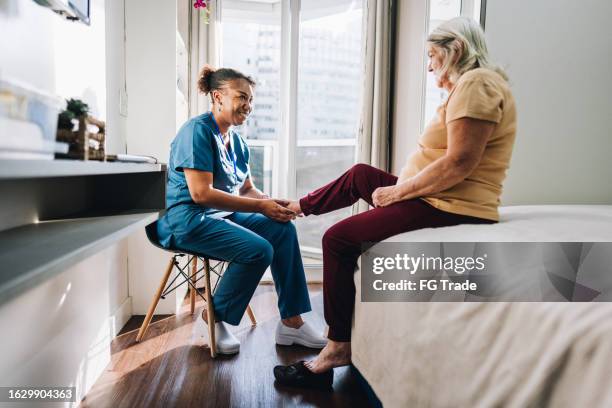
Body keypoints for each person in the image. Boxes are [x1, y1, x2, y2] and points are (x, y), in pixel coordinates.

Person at [274, 16, 517, 389]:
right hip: (437, 195)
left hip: (448, 204)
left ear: (457, 51)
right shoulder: (471, 85)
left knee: (337, 240)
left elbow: (459, 162)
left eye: (434, 56)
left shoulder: (477, 83)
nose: (430, 65)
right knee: (359, 174)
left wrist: (397, 193)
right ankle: (299, 206)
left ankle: (338, 345)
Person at [156, 65, 327, 354]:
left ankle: (292, 323)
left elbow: (246, 189)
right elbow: (200, 194)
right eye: (241, 97)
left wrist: (273, 204)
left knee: (282, 230)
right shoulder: (196, 131)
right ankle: (213, 318)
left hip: (220, 217)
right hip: (186, 220)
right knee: (258, 250)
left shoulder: (237, 141)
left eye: (250, 100)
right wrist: (260, 206)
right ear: (217, 96)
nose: (248, 106)